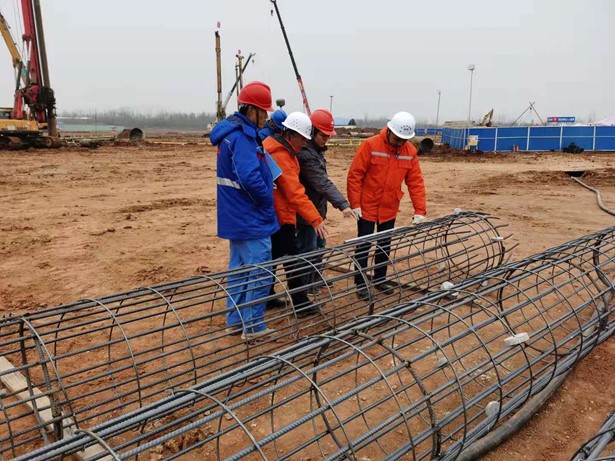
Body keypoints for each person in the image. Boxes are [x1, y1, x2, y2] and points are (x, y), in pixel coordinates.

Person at [210, 81, 279, 341]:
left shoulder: (231, 134)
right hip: (250, 216)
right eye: (263, 112)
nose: (266, 117)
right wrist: (267, 200)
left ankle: (235, 321)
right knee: (261, 269)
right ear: (251, 110)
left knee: (239, 270)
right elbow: (250, 177)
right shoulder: (243, 138)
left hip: (235, 215)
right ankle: (253, 326)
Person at [346, 111, 427, 300]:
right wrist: (355, 203)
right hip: (367, 205)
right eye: (397, 139)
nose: (400, 143)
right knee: (364, 245)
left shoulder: (409, 152)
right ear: (389, 131)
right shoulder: (370, 145)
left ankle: (380, 279)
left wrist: (419, 210)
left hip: (389, 206)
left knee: (384, 245)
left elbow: (415, 182)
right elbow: (355, 175)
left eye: (403, 140)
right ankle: (361, 283)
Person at [263, 112, 327, 317]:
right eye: (302, 138)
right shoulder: (281, 155)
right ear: (289, 134)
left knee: (273, 256)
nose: (304, 142)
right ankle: (300, 303)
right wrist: (315, 219)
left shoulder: (282, 149)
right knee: (292, 258)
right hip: (281, 215)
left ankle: (268, 296)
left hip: (274, 213)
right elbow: (295, 192)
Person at [296, 109, 354, 291]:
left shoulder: (316, 151)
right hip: (306, 214)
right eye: (323, 136)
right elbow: (322, 182)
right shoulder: (306, 154)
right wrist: (342, 204)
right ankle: (305, 285)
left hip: (318, 210)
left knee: (319, 245)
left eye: (329, 136)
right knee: (308, 249)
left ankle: (315, 277)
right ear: (311, 131)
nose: (326, 140)